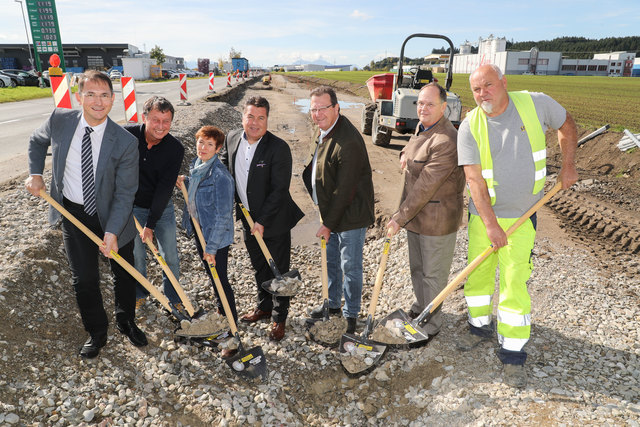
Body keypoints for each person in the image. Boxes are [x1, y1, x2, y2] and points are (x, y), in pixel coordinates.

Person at [456, 64, 578, 388]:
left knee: (514, 282)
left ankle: (512, 354)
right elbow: (474, 180)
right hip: (484, 217)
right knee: (478, 274)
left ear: (504, 83)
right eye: (477, 89)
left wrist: (568, 166)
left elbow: (567, 123)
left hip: (524, 215)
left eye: (488, 85)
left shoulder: (534, 104)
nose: (483, 94)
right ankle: (478, 327)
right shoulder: (470, 126)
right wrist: (492, 226)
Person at [25, 70, 147, 359]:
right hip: (73, 213)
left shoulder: (126, 142)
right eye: (90, 94)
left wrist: (113, 231)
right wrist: (35, 173)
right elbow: (36, 140)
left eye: (104, 95)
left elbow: (125, 193)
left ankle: (126, 320)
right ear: (79, 97)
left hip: (113, 216)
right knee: (84, 279)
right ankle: (97, 331)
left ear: (113, 99)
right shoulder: (60, 120)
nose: (97, 101)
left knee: (123, 272)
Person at [219, 96, 304, 341]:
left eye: (261, 118)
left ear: (267, 119)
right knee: (259, 267)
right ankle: (264, 307)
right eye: (250, 116)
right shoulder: (232, 138)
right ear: (242, 116)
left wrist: (263, 220)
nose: (254, 122)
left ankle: (279, 318)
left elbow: (279, 190)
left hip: (274, 220)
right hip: (247, 218)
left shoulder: (278, 148)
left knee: (279, 271)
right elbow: (224, 170)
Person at [386, 83, 465, 339]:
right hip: (417, 217)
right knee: (417, 269)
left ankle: (430, 324)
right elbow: (412, 149)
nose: (423, 108)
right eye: (420, 103)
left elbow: (425, 187)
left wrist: (398, 217)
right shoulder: (423, 128)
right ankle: (420, 309)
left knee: (433, 274)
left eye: (430, 104)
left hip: (437, 220)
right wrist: (404, 156)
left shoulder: (446, 140)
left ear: (444, 107)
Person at [303, 86, 375, 334]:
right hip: (331, 212)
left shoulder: (348, 141)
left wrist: (328, 224)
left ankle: (351, 315)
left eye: (323, 108)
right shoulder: (324, 130)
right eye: (313, 109)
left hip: (350, 216)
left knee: (350, 267)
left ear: (336, 108)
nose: (317, 114)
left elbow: (345, 191)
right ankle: (333, 305)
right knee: (331, 261)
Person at [178, 126, 237, 358]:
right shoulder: (197, 166)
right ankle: (222, 315)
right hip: (201, 231)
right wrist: (185, 179)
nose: (203, 148)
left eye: (209, 144)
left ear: (218, 148)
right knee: (214, 279)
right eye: (201, 142)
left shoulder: (221, 177)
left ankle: (232, 332)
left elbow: (224, 216)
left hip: (216, 237)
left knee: (221, 281)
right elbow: (196, 183)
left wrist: (211, 248)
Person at [124, 96, 185, 311]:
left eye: (166, 121)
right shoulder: (128, 136)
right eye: (156, 120)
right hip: (132, 208)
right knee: (137, 255)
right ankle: (140, 293)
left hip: (162, 208)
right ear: (144, 118)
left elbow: (164, 189)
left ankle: (174, 298)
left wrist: (150, 225)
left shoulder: (175, 149)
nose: (161, 126)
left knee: (170, 255)